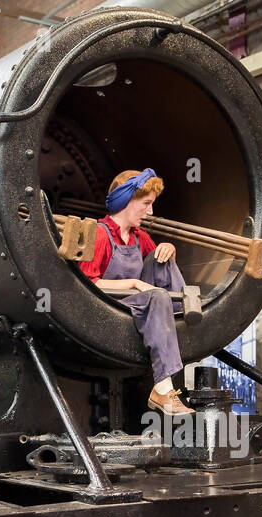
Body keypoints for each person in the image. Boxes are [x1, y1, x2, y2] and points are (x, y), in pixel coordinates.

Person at [79, 168, 195, 416]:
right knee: (156, 296)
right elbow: (88, 284)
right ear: (126, 201)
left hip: (146, 303)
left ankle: (181, 320)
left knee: (161, 258)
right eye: (146, 203)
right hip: (109, 306)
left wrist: (167, 247)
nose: (150, 212)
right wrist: (134, 283)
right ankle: (162, 390)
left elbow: (158, 273)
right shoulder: (100, 234)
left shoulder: (139, 237)